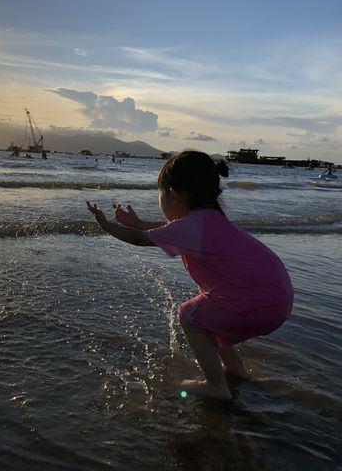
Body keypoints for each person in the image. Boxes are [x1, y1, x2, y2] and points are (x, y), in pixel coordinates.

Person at [86, 150, 293, 399]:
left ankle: (215, 385)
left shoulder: (193, 226)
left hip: (256, 301)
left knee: (189, 314)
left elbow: (140, 241)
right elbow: (167, 231)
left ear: (173, 195)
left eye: (160, 194)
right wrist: (138, 222)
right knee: (212, 318)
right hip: (278, 300)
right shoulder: (209, 220)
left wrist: (106, 225)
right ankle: (236, 370)